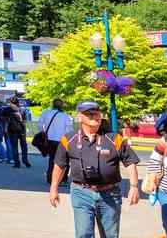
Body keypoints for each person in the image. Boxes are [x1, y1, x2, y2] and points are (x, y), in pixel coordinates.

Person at [49, 101, 141, 238]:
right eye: (89, 114)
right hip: (81, 192)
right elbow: (59, 165)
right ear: (79, 117)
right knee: (83, 233)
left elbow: (130, 162)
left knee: (110, 235)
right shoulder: (68, 139)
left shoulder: (115, 139)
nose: (95, 117)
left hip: (110, 194)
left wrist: (134, 186)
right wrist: (53, 187)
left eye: (97, 113)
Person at [37, 98, 74, 186]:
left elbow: (40, 125)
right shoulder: (65, 116)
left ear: (52, 105)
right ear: (61, 106)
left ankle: (50, 179)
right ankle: (62, 179)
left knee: (52, 160)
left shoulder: (46, 113)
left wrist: (44, 133)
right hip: (61, 141)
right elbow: (69, 129)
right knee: (64, 161)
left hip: (49, 140)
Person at [9, 96, 32, 168]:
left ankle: (17, 163)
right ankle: (25, 160)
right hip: (21, 130)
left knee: (14, 147)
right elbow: (25, 121)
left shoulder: (9, 110)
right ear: (18, 102)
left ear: (11, 102)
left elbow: (4, 119)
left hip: (12, 130)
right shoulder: (22, 110)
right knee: (24, 146)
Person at [0, 100, 15, 164]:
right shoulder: (12, 108)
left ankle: (3, 156)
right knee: (8, 142)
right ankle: (11, 158)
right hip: (9, 126)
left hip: (1, 125)